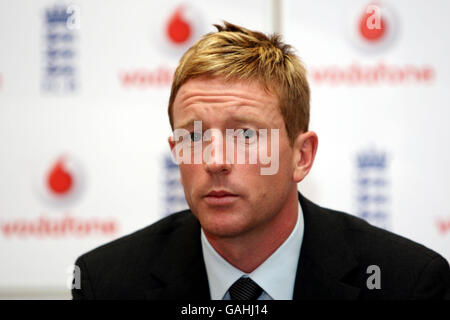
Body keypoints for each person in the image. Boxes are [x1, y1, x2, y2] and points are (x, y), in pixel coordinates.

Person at [72, 22, 449, 300]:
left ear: (301, 157)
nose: (215, 160)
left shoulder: (406, 283)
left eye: (246, 135)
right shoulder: (107, 285)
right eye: (194, 136)